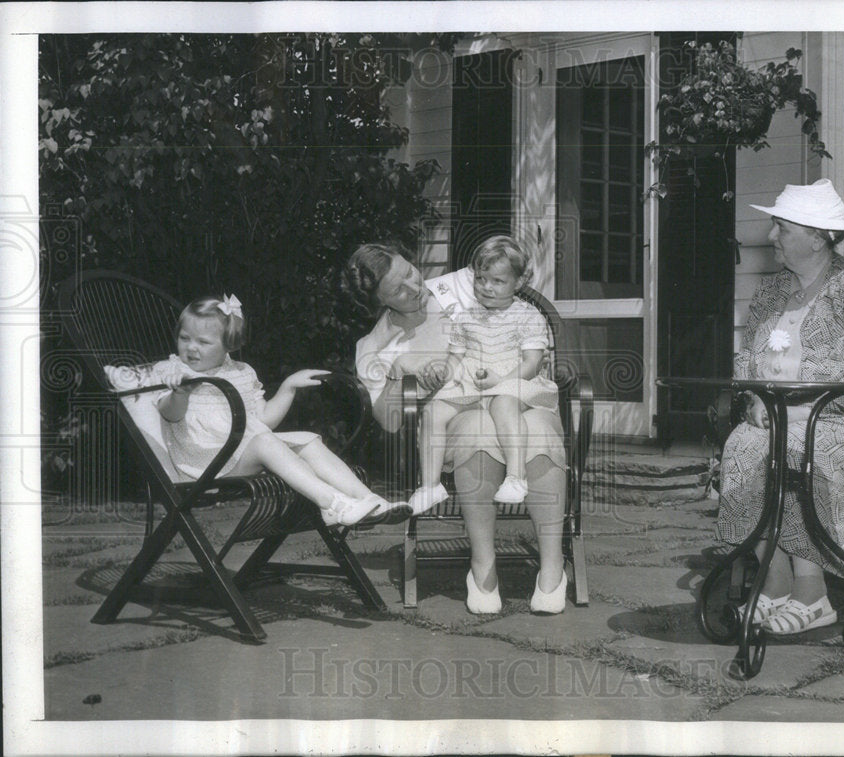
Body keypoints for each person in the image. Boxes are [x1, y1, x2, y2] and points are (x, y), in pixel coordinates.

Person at [345, 239, 569, 615]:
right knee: (478, 430)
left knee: (539, 430)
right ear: (379, 302)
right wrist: (407, 379)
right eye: (398, 289)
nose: (416, 287)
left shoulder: (462, 285)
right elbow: (389, 420)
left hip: (518, 393)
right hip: (457, 412)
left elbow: (509, 268)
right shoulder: (373, 347)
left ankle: (552, 566)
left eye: (411, 273)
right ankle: (483, 566)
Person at [717, 178, 844, 635]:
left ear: (818, 237)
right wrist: (756, 395)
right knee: (743, 447)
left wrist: (807, 408)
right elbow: (746, 358)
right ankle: (775, 587)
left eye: (782, 228)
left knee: (796, 449)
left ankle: (812, 595)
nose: (772, 237)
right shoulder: (771, 291)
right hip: (777, 415)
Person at [152, 294, 407, 527]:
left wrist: (288, 387)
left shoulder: (241, 372)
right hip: (206, 465)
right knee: (265, 441)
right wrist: (180, 393)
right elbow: (169, 414)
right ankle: (331, 503)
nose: (191, 347)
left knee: (308, 442)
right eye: (184, 338)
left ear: (228, 345)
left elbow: (263, 420)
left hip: (240, 455)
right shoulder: (172, 371)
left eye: (203, 342)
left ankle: (370, 500)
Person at [409, 237, 559, 513]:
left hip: (518, 382)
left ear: (518, 282)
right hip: (474, 384)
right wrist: (444, 370)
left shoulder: (527, 315)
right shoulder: (466, 316)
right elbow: (455, 358)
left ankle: (516, 477)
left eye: (497, 281)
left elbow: (533, 362)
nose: (487, 287)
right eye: (481, 278)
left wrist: (503, 383)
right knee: (432, 411)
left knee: (503, 401)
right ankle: (430, 485)